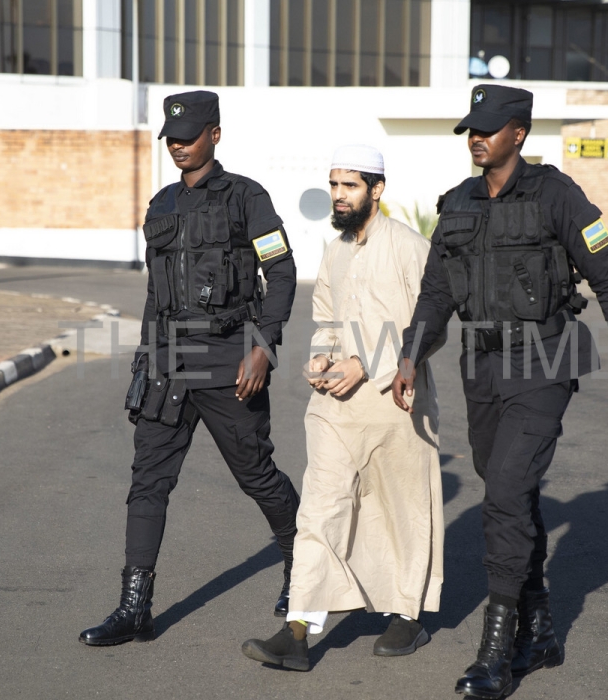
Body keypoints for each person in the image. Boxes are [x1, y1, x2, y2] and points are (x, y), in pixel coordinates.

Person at [391, 84, 608, 700]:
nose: (475, 137)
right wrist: (410, 355)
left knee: (506, 490)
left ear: (519, 132)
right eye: (470, 129)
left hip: (545, 361)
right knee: (506, 490)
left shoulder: (557, 196)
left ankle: (497, 652)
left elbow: (607, 277)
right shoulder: (456, 204)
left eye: (488, 128)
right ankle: (540, 627)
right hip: (481, 367)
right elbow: (436, 293)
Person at [78, 90, 301, 647]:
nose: (178, 145)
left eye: (189, 135)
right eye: (172, 138)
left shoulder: (249, 198)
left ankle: (304, 569)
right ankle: (135, 608)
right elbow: (157, 295)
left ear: (215, 134)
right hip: (168, 364)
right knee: (147, 482)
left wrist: (262, 347)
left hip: (231, 359)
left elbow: (284, 274)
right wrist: (145, 358)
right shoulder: (161, 206)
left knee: (256, 474)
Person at [240, 145, 445, 671]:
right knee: (319, 508)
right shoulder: (333, 250)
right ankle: (299, 630)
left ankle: (407, 615)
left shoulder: (408, 246)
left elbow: (433, 324)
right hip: (335, 406)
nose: (338, 195)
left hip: (397, 402)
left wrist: (369, 363)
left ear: (376, 190)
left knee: (404, 511)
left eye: (349, 186)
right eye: (334, 185)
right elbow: (327, 315)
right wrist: (322, 360)